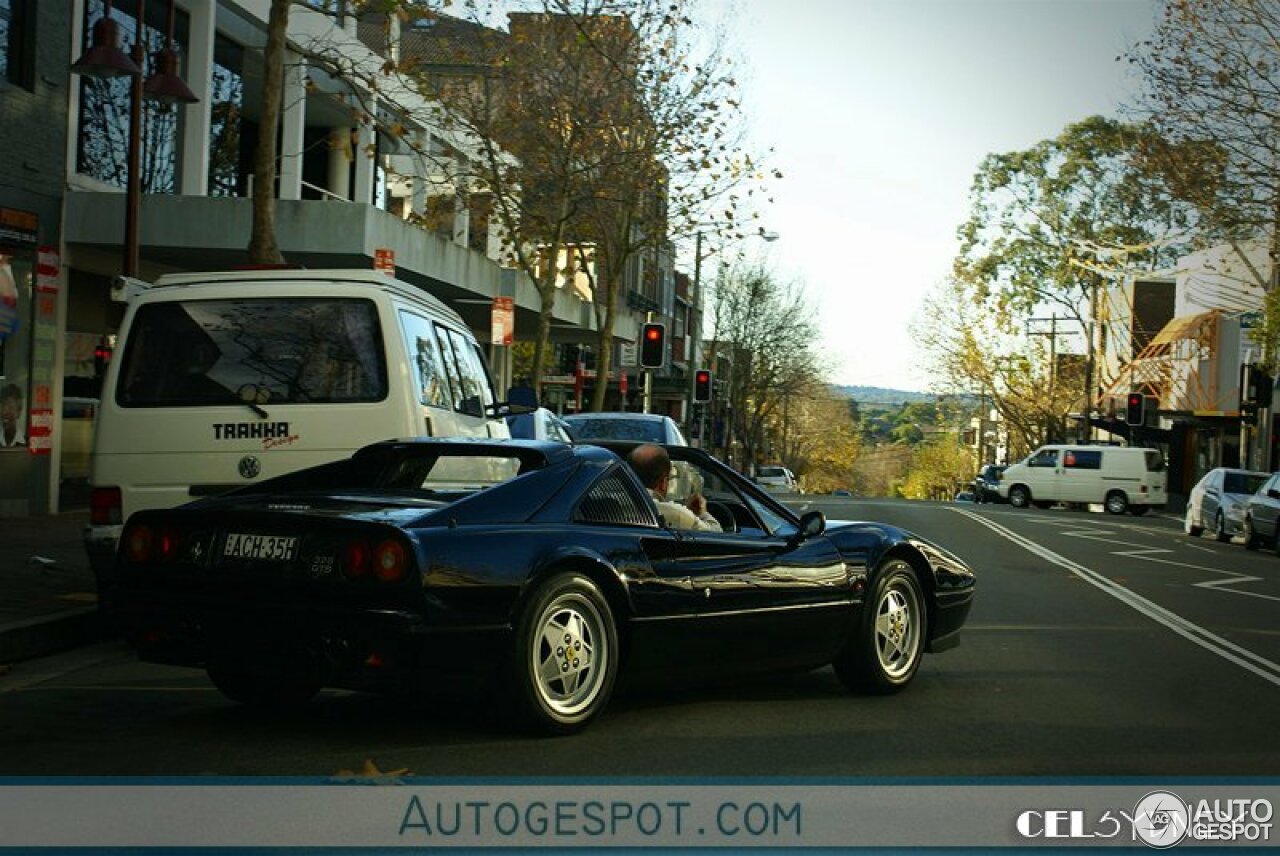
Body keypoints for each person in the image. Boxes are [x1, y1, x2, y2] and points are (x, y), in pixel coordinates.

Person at [627, 443, 721, 532]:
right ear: (663, 482)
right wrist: (702, 513)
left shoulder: (613, 506)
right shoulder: (676, 514)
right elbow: (716, 533)